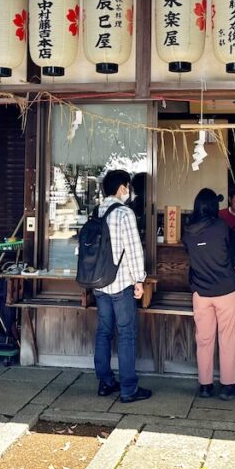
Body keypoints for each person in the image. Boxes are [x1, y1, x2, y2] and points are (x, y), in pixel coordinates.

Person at [92, 169, 152, 403]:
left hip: (100, 284)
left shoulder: (98, 211)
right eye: (127, 187)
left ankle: (105, 382)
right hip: (120, 283)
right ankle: (128, 388)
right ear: (121, 188)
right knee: (126, 334)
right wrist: (140, 280)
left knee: (104, 332)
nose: (129, 191)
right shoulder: (124, 213)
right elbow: (134, 249)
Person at [182, 187, 235, 401]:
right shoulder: (220, 226)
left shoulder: (188, 231)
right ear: (213, 206)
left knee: (204, 340)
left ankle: (205, 386)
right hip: (226, 290)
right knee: (227, 339)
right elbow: (230, 248)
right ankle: (228, 387)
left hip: (201, 292)